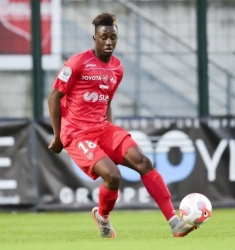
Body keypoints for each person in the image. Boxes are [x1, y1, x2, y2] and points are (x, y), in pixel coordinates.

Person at [47, 12, 197, 238]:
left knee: (143, 162)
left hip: (103, 128)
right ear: (95, 37)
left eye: (113, 38)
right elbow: (53, 97)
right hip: (77, 135)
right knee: (113, 176)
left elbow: (107, 100)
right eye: (104, 37)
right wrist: (58, 136)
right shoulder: (77, 63)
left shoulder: (117, 68)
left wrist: (111, 131)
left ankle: (174, 222)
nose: (109, 42)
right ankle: (103, 217)